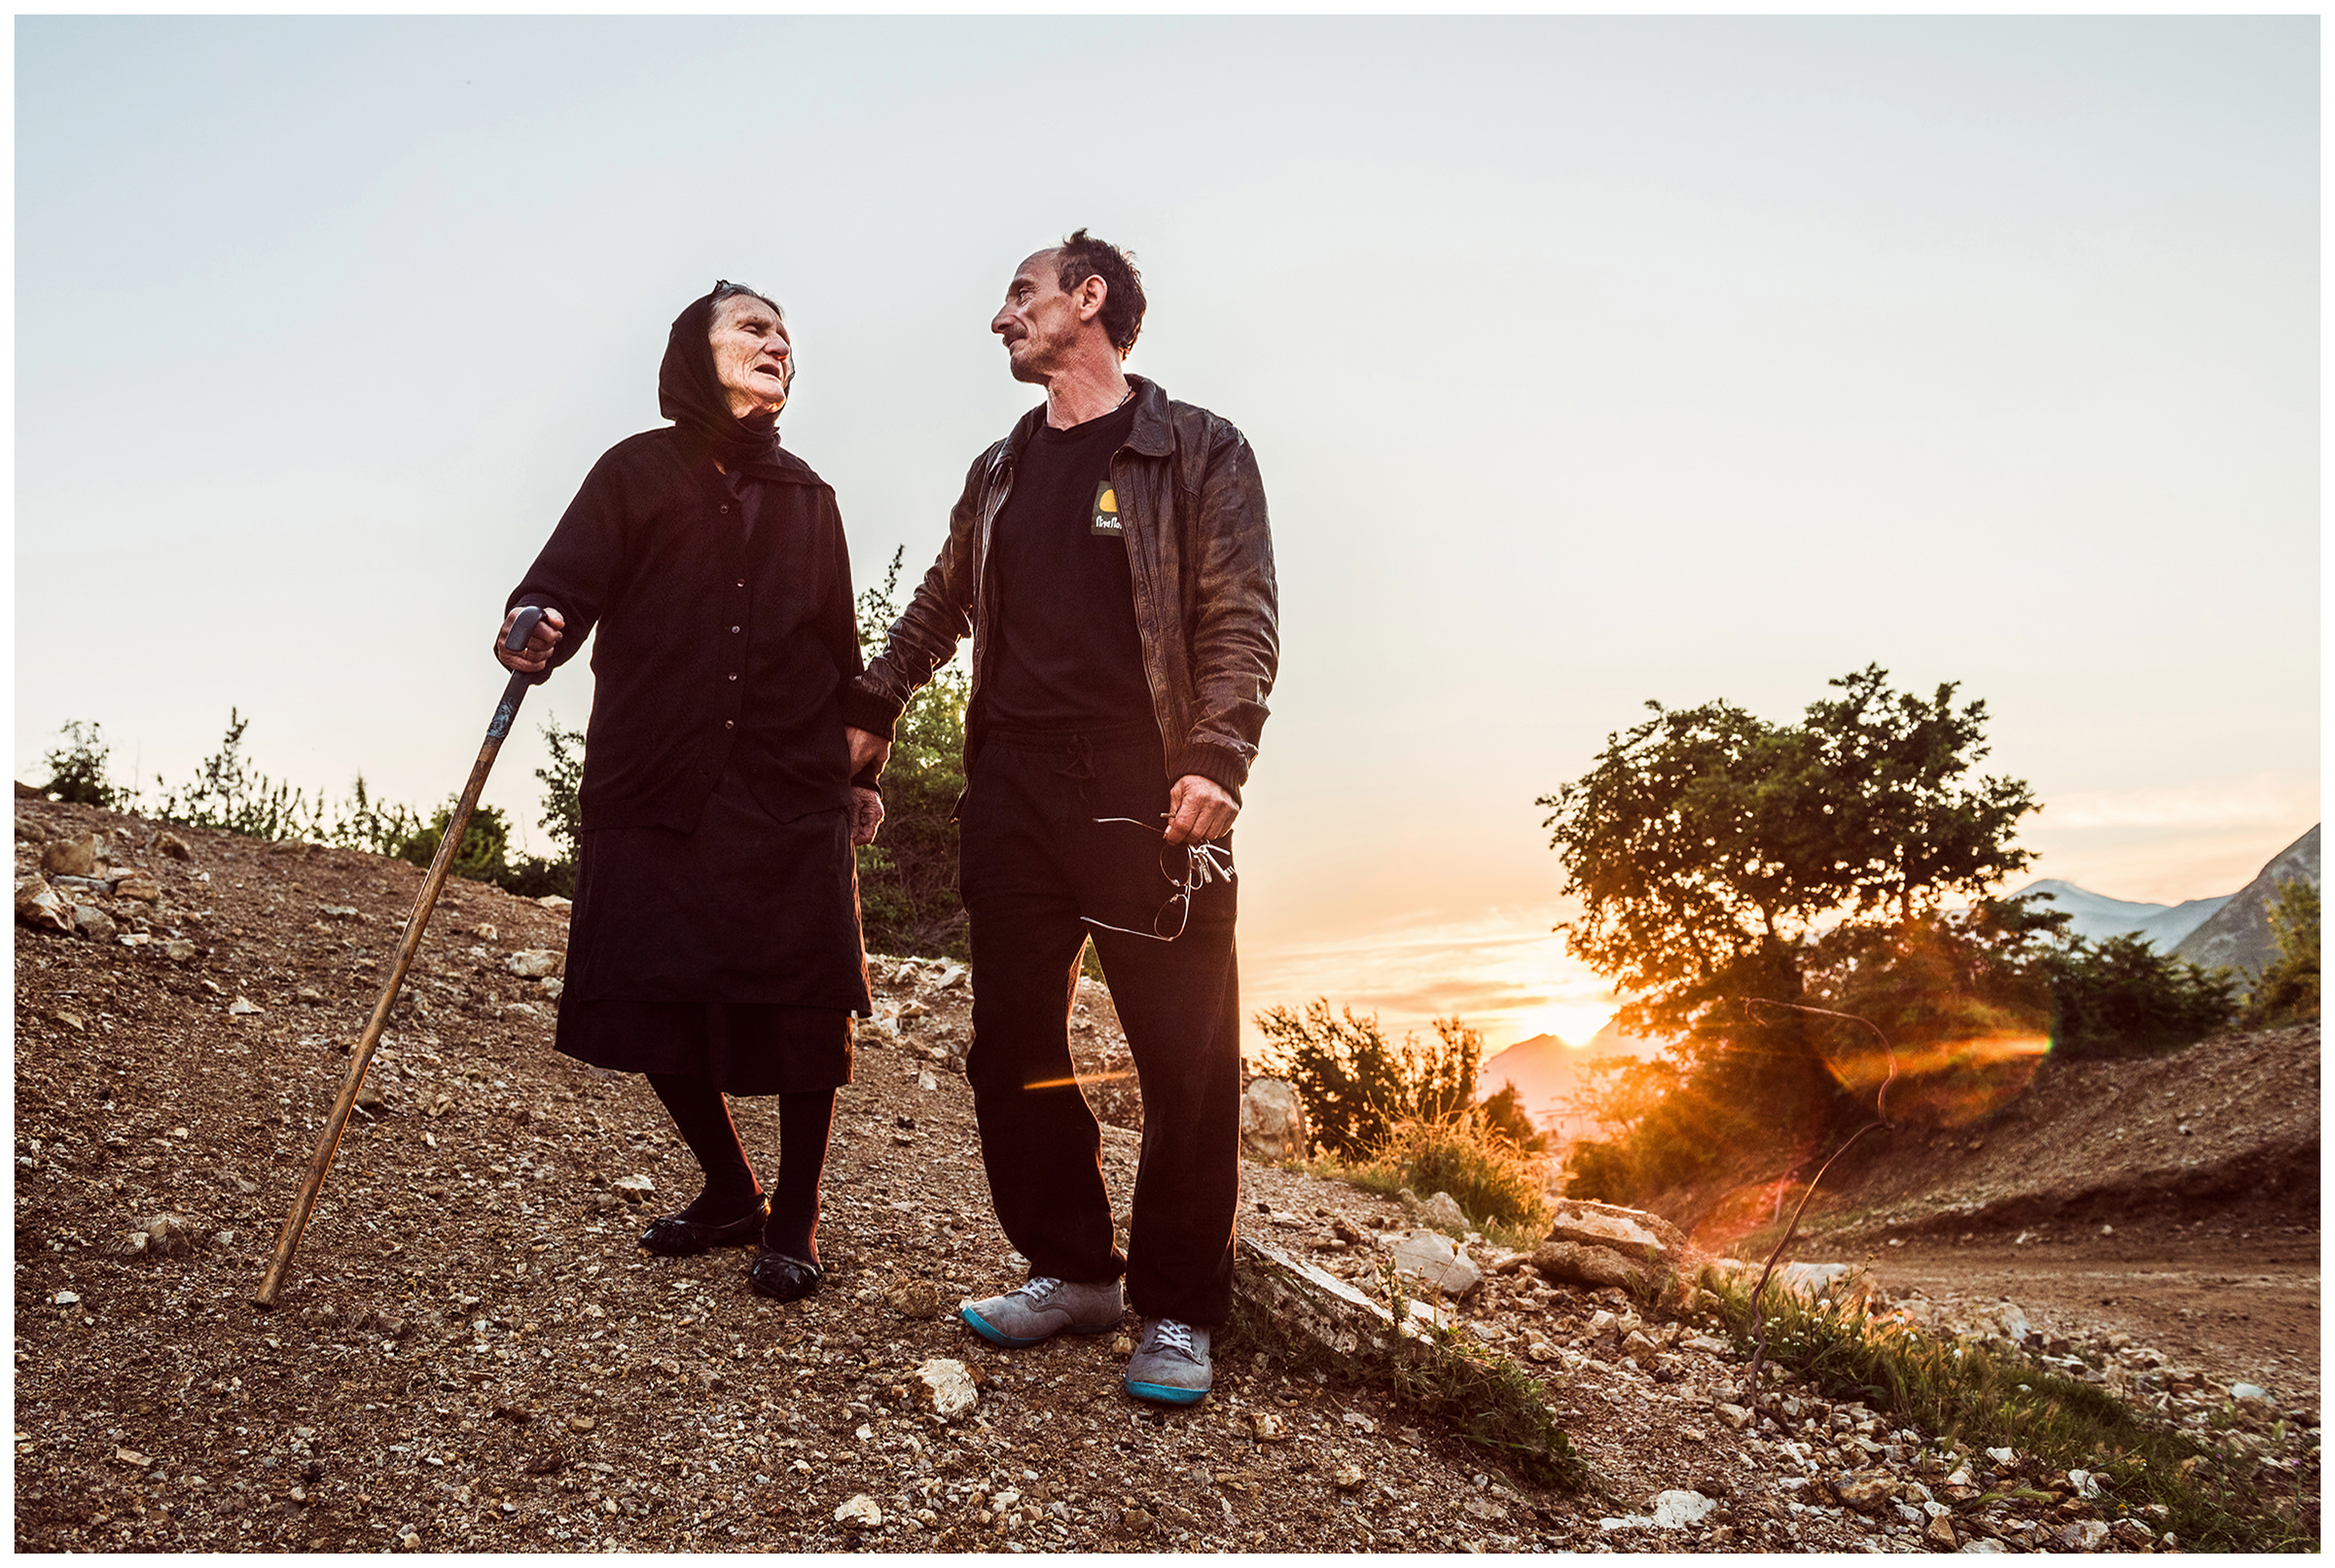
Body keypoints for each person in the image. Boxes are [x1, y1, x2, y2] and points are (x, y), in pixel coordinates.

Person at [849, 232, 1277, 1403]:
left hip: (1147, 792)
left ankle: (1179, 1306)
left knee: (1183, 1059)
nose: (1003, 316)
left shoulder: (1196, 449)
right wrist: (874, 702)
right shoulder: (999, 469)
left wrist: (1215, 756)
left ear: (1089, 301)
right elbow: (941, 600)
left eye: (1021, 294)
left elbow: (1238, 614)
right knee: (1012, 1049)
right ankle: (1074, 1269)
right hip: (1016, 789)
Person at [495, 280, 891, 1303]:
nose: (778, 342)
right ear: (696, 351)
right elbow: (562, 584)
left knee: (807, 1001)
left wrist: (865, 768)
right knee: (646, 985)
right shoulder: (635, 470)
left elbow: (839, 647)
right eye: (753, 326)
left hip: (788, 779)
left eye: (784, 333)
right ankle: (729, 1188)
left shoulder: (811, 496)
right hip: (657, 771)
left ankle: (793, 1218)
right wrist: (534, 619)